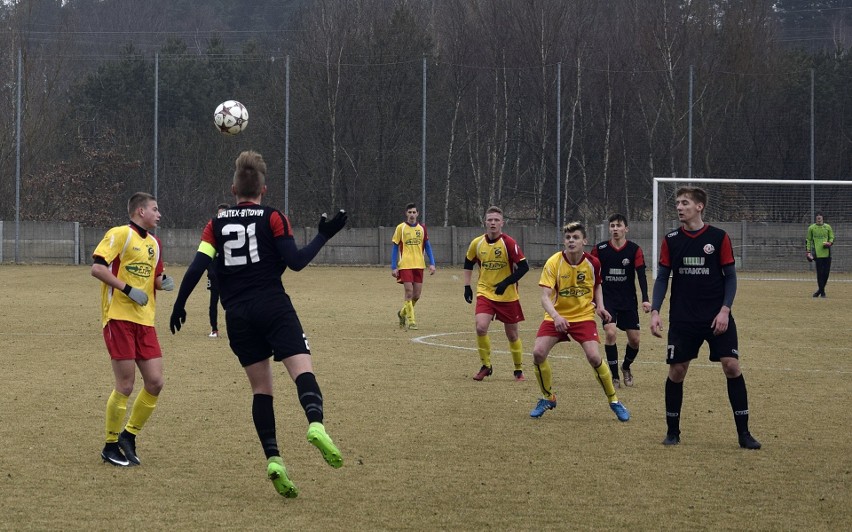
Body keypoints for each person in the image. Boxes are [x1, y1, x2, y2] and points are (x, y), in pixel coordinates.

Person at [168, 150, 348, 498]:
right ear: (263, 190)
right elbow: (294, 262)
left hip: (237, 316)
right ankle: (315, 424)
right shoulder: (273, 217)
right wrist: (323, 235)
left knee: (261, 390)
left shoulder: (216, 224)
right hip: (273, 306)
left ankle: (275, 460)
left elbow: (196, 267)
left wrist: (179, 304)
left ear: (233, 188)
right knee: (301, 369)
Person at [650, 186, 761, 449]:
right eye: (677, 203)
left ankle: (744, 434)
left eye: (685, 203)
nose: (679, 207)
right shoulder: (671, 239)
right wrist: (655, 310)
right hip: (683, 318)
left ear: (699, 206)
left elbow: (731, 277)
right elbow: (663, 277)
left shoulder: (718, 237)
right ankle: (672, 432)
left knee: (731, 366)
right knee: (677, 371)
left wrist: (725, 309)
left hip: (716, 317)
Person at [91, 192, 174, 467]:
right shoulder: (120, 234)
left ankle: (129, 435)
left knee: (155, 382)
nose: (159, 214)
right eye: (155, 208)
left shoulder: (155, 243)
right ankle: (110, 445)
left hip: (145, 321)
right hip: (118, 317)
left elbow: (155, 279)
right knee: (125, 385)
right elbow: (98, 269)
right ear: (140, 211)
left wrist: (164, 283)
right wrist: (127, 289)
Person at [530, 221, 630, 422]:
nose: (571, 241)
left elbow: (597, 286)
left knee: (594, 357)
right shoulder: (553, 262)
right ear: (563, 241)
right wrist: (557, 316)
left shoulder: (593, 263)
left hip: (583, 316)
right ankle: (547, 397)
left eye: (575, 237)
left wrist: (600, 307)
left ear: (584, 240)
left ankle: (614, 400)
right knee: (538, 353)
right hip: (556, 316)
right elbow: (544, 297)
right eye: (568, 238)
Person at [463, 206, 530, 381]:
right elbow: (468, 262)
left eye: (496, 220)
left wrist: (506, 283)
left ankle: (518, 369)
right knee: (480, 327)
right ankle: (486, 366)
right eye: (490, 220)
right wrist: (467, 286)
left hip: (507, 295)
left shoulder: (509, 243)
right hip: (485, 292)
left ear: (502, 223)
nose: (493, 223)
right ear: (485, 222)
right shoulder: (477, 243)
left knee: (512, 335)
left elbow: (524, 267)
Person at [591, 214, 651, 388]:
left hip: (628, 300)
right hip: (607, 299)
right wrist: (593, 300)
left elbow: (641, 275)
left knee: (635, 340)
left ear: (626, 229)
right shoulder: (599, 249)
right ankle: (615, 376)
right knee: (610, 333)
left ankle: (626, 367)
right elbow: (591, 274)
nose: (615, 229)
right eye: (612, 226)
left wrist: (645, 299)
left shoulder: (634, 250)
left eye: (618, 225)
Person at [391, 202, 436, 330]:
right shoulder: (401, 228)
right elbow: (395, 246)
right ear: (406, 214)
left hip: (419, 265)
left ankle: (402, 313)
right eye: (409, 212)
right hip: (405, 265)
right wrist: (394, 266)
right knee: (409, 292)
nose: (412, 215)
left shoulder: (422, 229)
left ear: (417, 214)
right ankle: (412, 321)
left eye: (414, 212)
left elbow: (427, 246)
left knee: (417, 295)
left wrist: (432, 263)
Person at [206, 202, 230, 337]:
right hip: (214, 272)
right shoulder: (212, 230)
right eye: (219, 213)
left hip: (227, 274)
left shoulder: (233, 231)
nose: (220, 216)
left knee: (229, 302)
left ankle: (235, 328)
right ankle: (214, 329)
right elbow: (206, 255)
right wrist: (210, 271)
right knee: (213, 301)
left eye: (223, 213)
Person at [806, 211, 835, 298]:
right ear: (815, 218)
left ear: (822, 217)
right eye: (817, 216)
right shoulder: (811, 228)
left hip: (827, 254)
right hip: (817, 254)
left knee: (826, 274)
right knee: (820, 274)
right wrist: (808, 252)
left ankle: (819, 291)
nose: (819, 217)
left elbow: (832, 237)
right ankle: (823, 293)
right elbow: (808, 240)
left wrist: (829, 243)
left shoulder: (828, 227)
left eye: (820, 216)